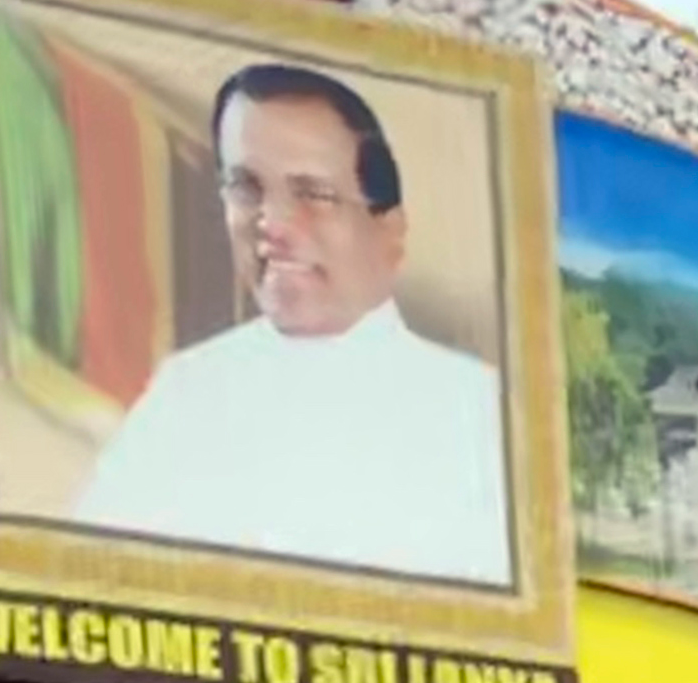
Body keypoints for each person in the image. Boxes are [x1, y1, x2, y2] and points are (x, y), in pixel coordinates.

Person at [71, 62, 514, 588]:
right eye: (246, 187)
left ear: (389, 231)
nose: (273, 225)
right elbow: (88, 580)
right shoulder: (189, 390)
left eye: (313, 194)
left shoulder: (476, 411)